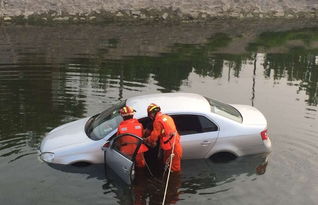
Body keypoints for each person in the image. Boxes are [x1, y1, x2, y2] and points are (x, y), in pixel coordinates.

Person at [144, 103, 183, 172]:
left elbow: (154, 137)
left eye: (150, 115)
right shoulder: (167, 117)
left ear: (152, 114)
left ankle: (174, 181)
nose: (150, 117)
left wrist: (146, 139)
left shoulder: (157, 121)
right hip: (171, 146)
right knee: (166, 163)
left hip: (173, 149)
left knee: (174, 169)